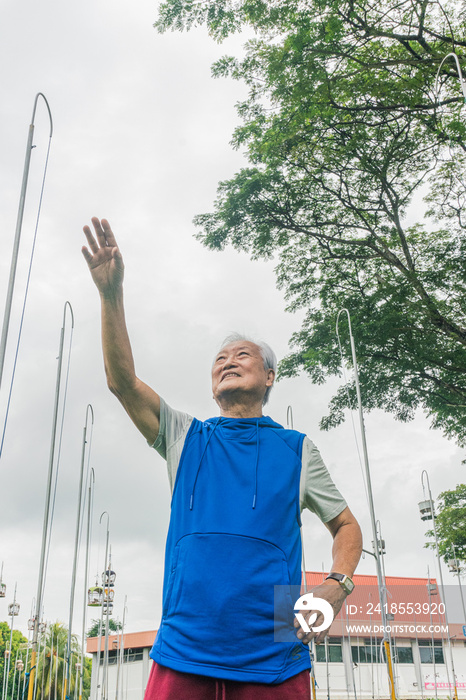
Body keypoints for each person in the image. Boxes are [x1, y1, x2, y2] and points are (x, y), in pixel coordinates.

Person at [82, 217, 362, 700]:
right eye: (220, 358)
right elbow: (122, 384)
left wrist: (337, 585)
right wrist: (111, 294)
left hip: (275, 651)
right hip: (184, 646)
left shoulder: (297, 449)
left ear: (270, 376)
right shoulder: (184, 435)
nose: (228, 360)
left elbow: (347, 527)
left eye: (243, 354)